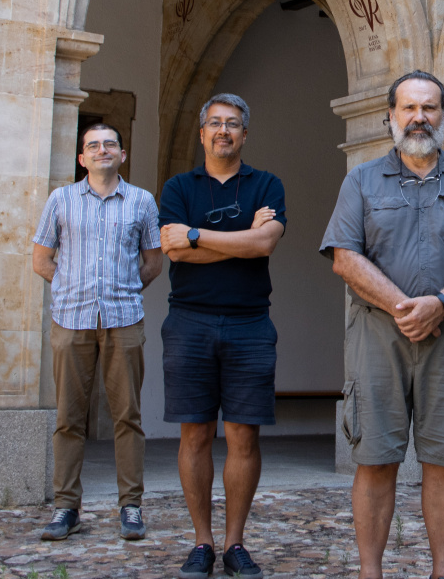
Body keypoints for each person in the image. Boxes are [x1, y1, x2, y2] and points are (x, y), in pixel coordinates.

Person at [321, 70, 444, 579]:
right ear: (390, 117)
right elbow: (344, 257)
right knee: (375, 457)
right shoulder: (360, 180)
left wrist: (440, 304)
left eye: (429, 108)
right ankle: (370, 573)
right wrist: (407, 306)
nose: (419, 117)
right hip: (378, 336)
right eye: (409, 108)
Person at [158, 93, 287, 579]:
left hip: (250, 323)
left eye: (233, 124)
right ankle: (202, 542)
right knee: (194, 432)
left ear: (245, 134)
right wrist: (239, 244)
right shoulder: (178, 187)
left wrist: (196, 236)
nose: (223, 131)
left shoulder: (266, 184)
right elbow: (174, 252)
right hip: (189, 320)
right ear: (202, 133)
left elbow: (264, 244)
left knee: (243, 435)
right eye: (214, 123)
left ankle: (234, 543)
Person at [31, 122, 162, 543]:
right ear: (81, 158)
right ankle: (66, 508)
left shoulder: (141, 201)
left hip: (124, 319)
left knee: (128, 416)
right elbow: (41, 258)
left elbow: (153, 261)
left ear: (122, 155)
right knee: (69, 417)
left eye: (110, 144)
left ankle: (131, 507)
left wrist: (123, 289)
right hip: (71, 320)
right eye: (93, 145)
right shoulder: (61, 199)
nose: (102, 150)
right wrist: (70, 288)